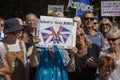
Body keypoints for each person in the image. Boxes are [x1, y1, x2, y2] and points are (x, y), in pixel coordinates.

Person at [25, 13, 39, 80]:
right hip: (28, 65)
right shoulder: (23, 35)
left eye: (33, 20)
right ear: (26, 22)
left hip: (40, 63)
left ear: (36, 21)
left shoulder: (41, 33)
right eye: (29, 20)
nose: (31, 22)